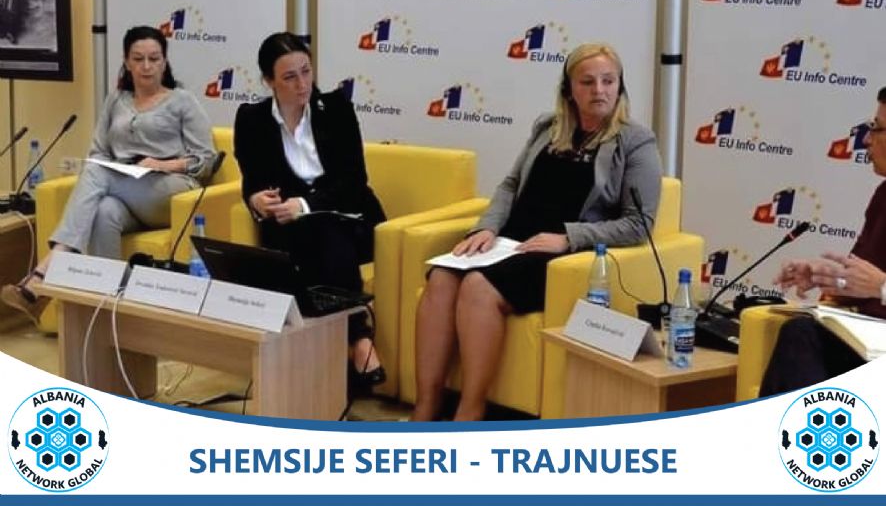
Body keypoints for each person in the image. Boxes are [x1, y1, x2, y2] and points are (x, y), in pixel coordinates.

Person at [412, 43, 663, 421]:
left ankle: (470, 412)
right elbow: (511, 184)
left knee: (478, 286)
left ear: (620, 86)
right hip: (509, 240)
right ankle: (425, 406)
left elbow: (639, 223)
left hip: (559, 252)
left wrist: (569, 238)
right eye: (588, 82)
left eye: (609, 81)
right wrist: (487, 227)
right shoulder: (548, 127)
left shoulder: (635, 141)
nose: (599, 90)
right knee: (442, 279)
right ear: (569, 89)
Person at [1, 25, 216, 324]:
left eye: (154, 59)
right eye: (138, 59)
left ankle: (49, 267)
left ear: (164, 61)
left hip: (171, 190)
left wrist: (161, 165)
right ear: (126, 61)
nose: (146, 66)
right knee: (104, 211)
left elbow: (207, 160)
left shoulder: (182, 101)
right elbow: (99, 151)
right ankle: (109, 313)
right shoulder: (116, 100)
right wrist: (120, 169)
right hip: (124, 190)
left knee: (97, 172)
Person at [233, 32, 387, 389]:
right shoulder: (252, 119)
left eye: (306, 71)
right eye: (289, 77)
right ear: (268, 81)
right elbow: (250, 179)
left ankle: (357, 338)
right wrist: (255, 200)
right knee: (303, 239)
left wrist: (305, 205)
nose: (302, 84)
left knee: (324, 231)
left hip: (351, 220)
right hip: (290, 228)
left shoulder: (336, 109)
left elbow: (355, 181)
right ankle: (327, 361)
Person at [761, 86, 886, 396]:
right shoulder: (883, 197)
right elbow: (860, 280)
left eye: (878, 129)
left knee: (801, 336)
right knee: (800, 333)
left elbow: (875, 284)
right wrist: (828, 278)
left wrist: (882, 287)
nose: (867, 140)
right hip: (869, 344)